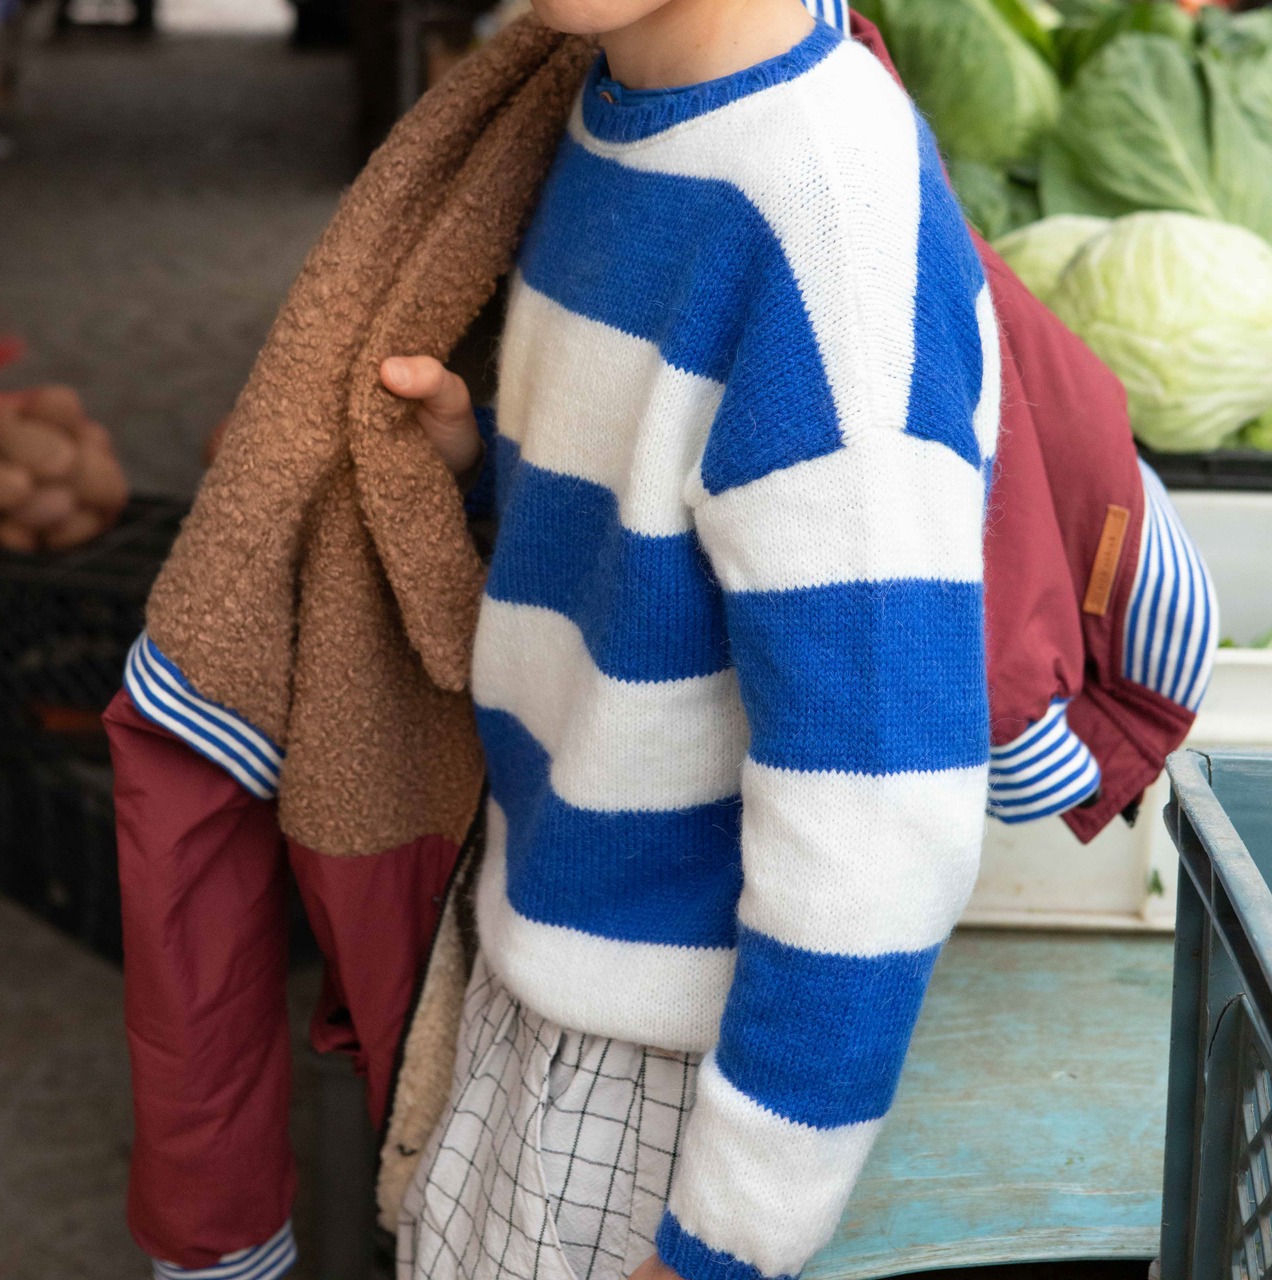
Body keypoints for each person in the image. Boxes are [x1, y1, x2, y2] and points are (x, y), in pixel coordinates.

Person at [378, 0, 998, 1274]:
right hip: (537, 969)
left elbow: (881, 804)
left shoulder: (821, 211)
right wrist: (488, 462)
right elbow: (679, 529)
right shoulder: (606, 106)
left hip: (658, 1071)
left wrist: (726, 1236)